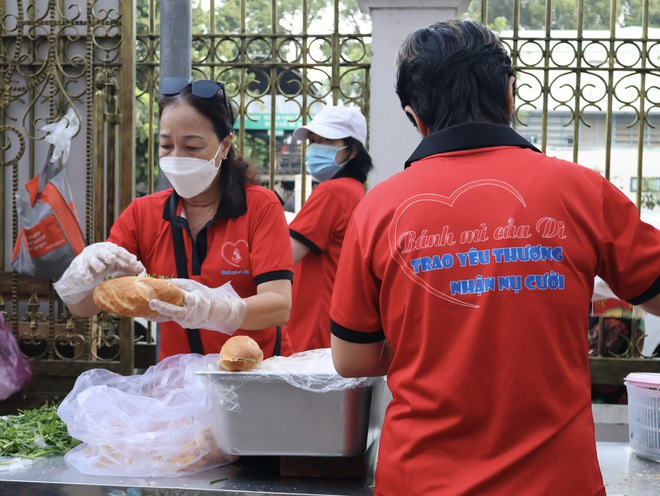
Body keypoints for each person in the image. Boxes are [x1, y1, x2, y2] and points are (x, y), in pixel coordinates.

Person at [329, 19, 660, 495]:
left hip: (420, 480)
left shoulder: (378, 209)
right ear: (508, 95)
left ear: (415, 116)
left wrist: (435, 340)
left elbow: (352, 359)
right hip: (556, 482)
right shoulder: (580, 190)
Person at [54, 77, 293, 360]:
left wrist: (214, 309)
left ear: (225, 146)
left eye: (192, 147)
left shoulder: (259, 205)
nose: (177, 157)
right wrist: (80, 279)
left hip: (256, 373)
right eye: (166, 146)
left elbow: (279, 305)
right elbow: (84, 307)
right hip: (179, 382)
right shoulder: (143, 213)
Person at [286, 106, 373, 352]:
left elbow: (282, 256)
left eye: (327, 140)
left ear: (353, 150)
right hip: (333, 327)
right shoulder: (354, 190)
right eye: (314, 141)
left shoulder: (333, 192)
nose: (316, 146)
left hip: (313, 330)